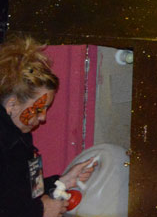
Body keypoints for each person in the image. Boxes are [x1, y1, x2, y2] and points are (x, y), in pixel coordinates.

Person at [1, 37, 96, 216]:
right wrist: (40, 210)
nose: (43, 117)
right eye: (38, 109)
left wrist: (62, 182)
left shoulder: (19, 134)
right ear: (12, 105)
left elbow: (16, 195)